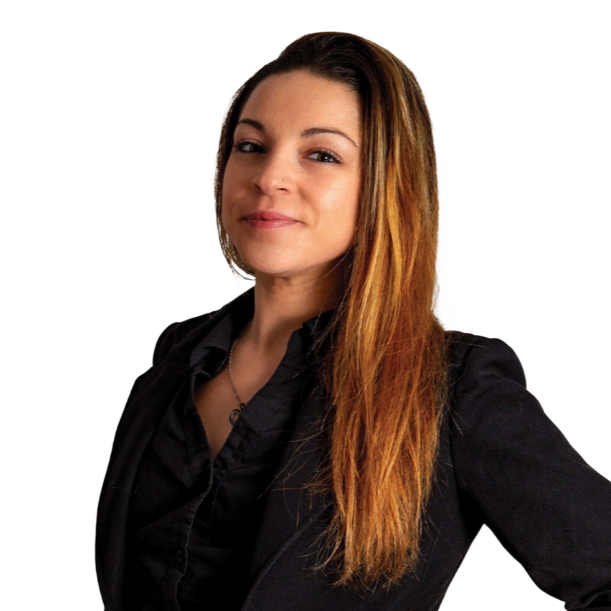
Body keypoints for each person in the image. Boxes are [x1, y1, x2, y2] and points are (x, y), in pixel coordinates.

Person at [95, 31, 611, 611]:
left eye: (321, 155)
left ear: (387, 186)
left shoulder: (452, 387)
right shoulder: (179, 357)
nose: (269, 177)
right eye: (251, 146)